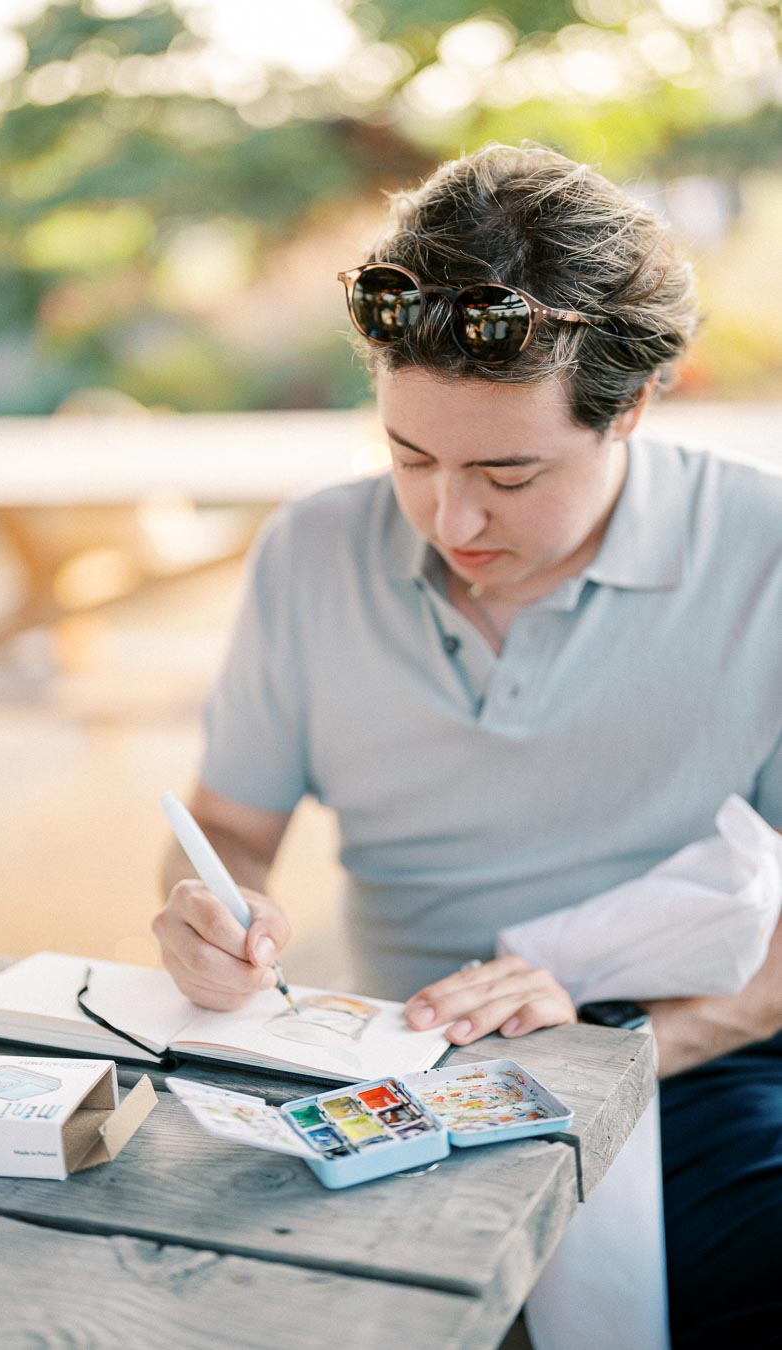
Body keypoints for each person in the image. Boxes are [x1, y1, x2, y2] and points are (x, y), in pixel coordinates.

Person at [153, 143, 782, 1348]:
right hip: (379, 1074)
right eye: (410, 458)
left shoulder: (764, 554)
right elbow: (230, 827)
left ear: (635, 408)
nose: (453, 520)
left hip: (689, 1068)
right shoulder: (308, 555)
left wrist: (625, 1039)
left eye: (510, 470)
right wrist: (214, 915)